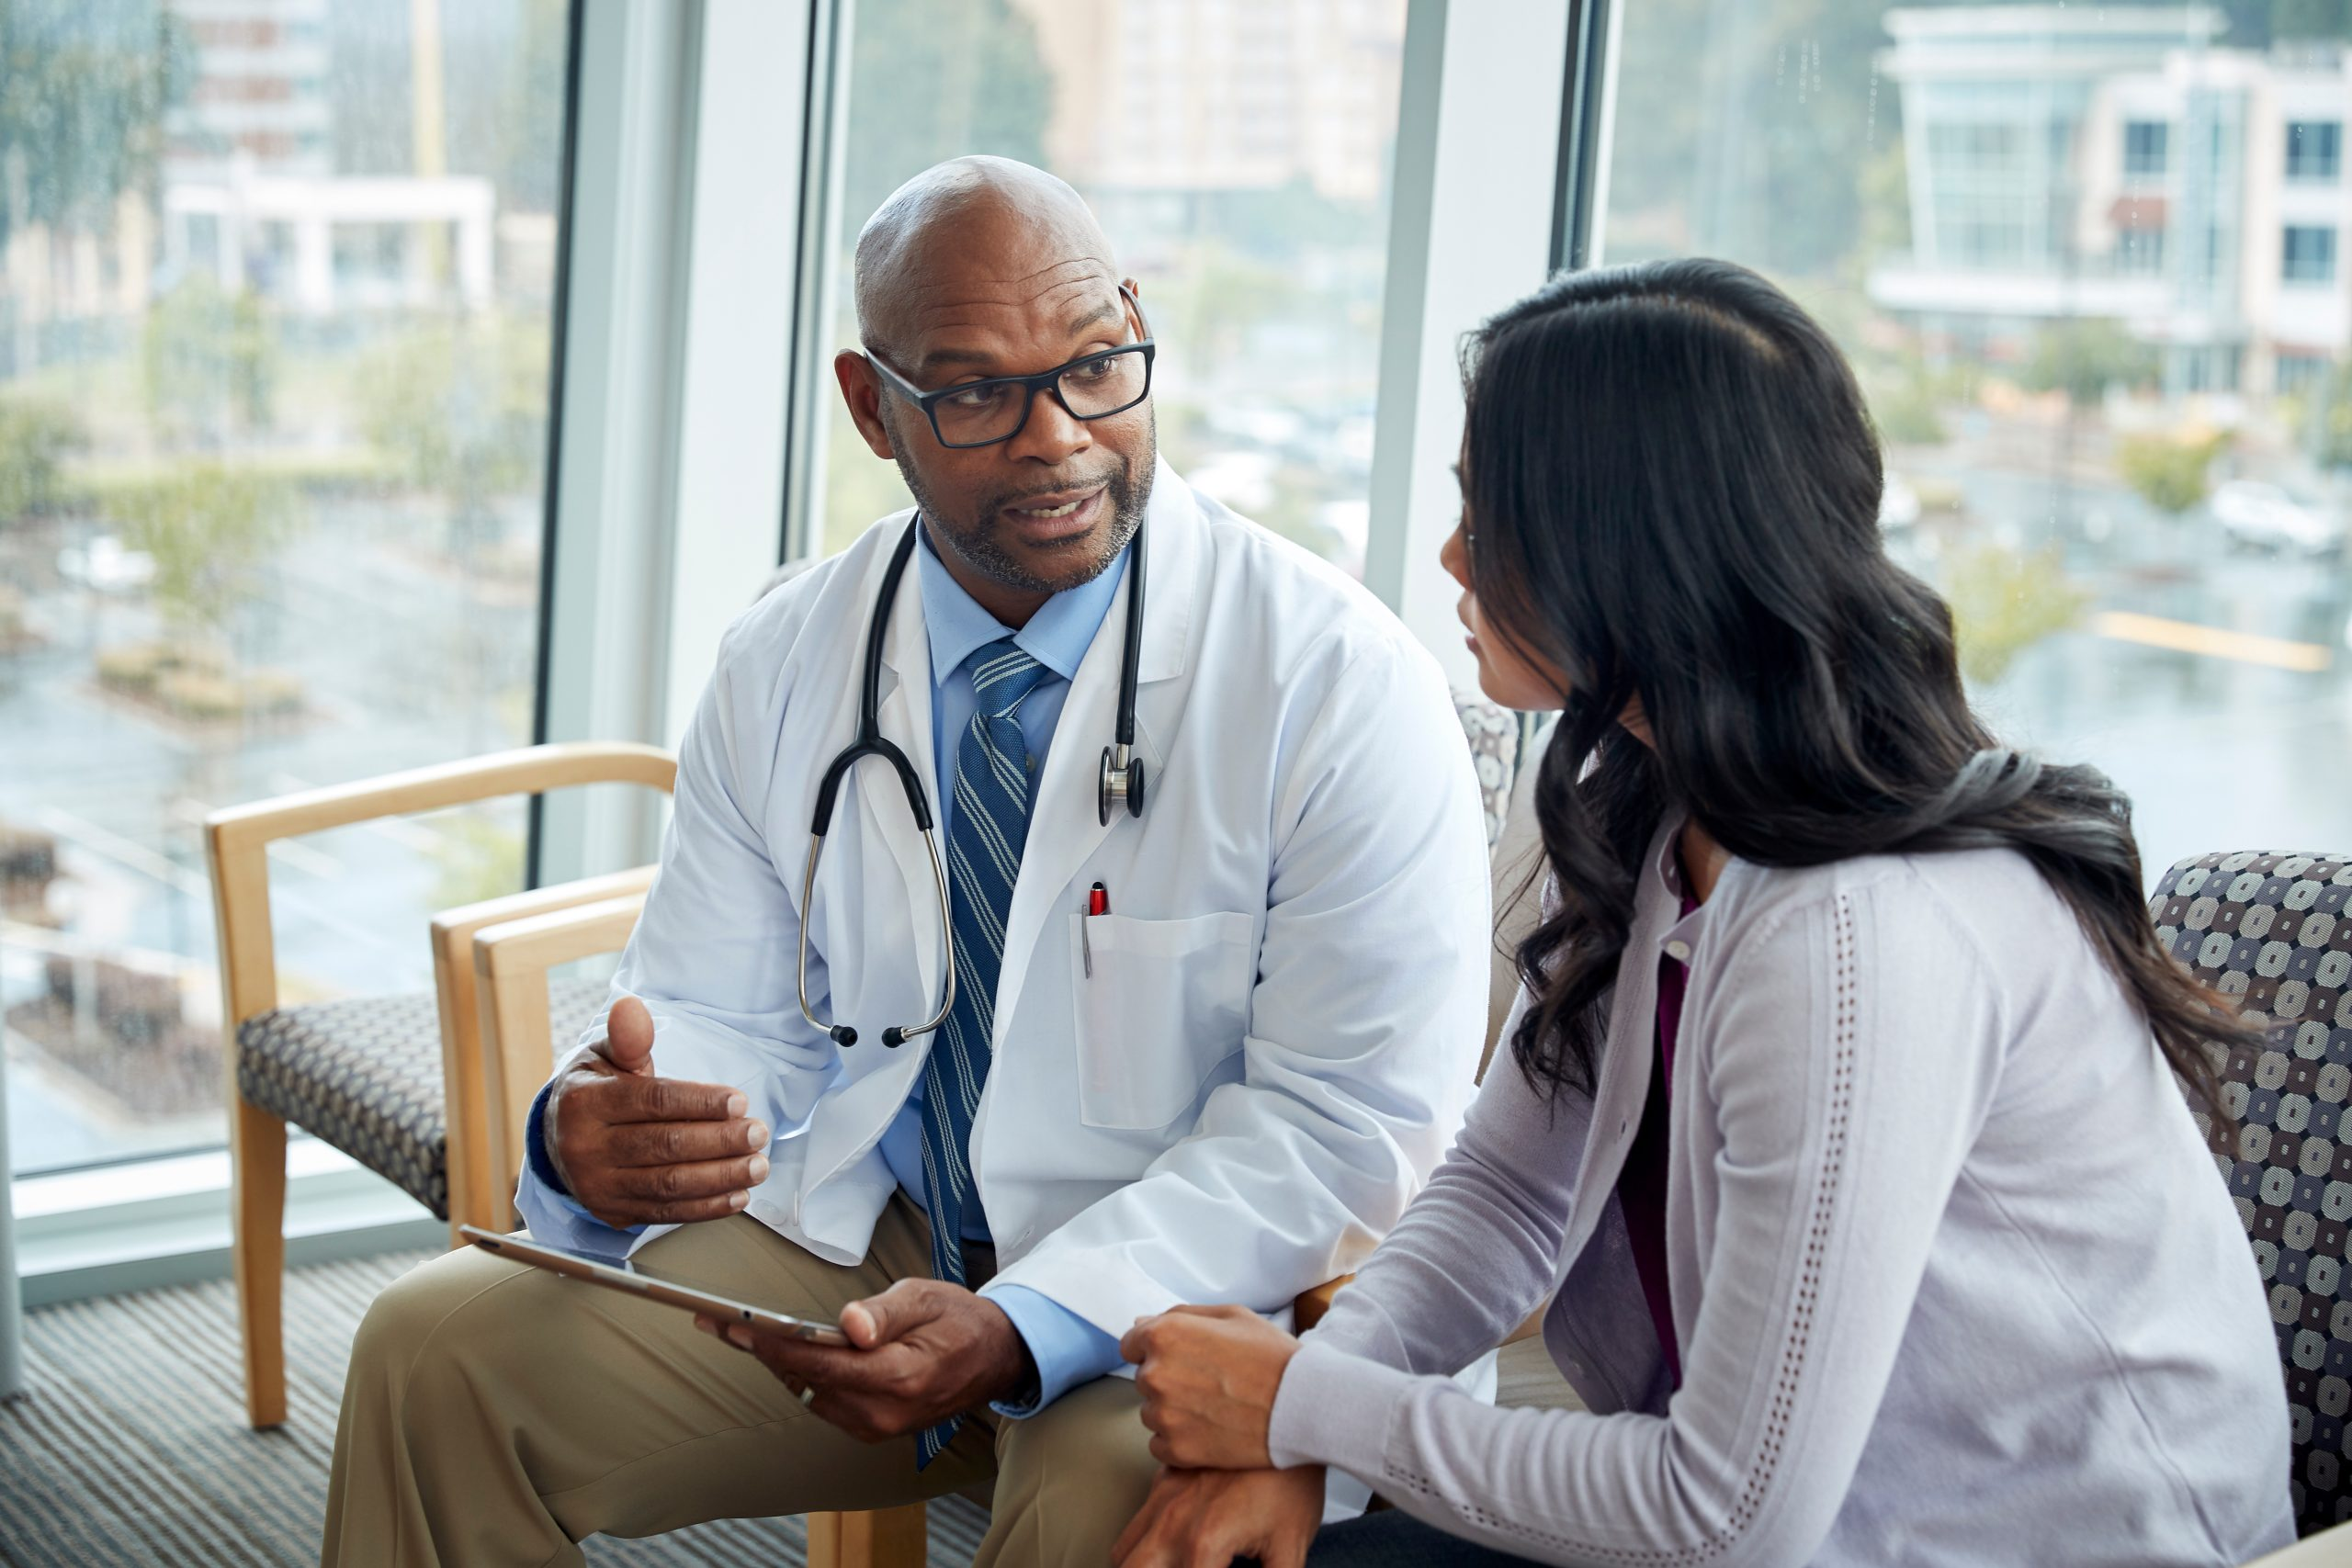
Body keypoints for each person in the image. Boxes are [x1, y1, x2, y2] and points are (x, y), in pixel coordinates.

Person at [321, 157, 1493, 1568]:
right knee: (432, 1355)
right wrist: (599, 1137)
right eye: (977, 393)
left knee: (1094, 1490)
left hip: (1194, 1302)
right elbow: (715, 1013)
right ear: (872, 407)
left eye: (1095, 365)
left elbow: (1353, 1127)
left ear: (1133, 320)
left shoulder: (1336, 680)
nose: (1059, 436)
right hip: (874, 1245)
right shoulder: (787, 651)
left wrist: (1023, 1322)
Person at [1114, 257, 2296, 1568]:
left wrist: (1302, 1403)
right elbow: (1507, 1190)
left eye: (1487, 511)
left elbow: (1726, 1516)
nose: (1451, 554)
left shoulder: (1857, 931)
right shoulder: (1659, 806)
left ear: (1633, 545)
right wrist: (1301, 1432)